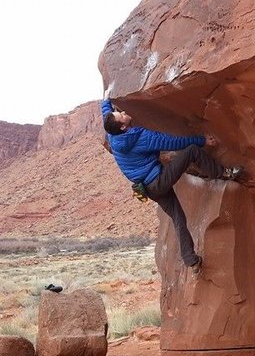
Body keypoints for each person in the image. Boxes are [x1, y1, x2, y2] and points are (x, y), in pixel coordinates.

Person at [101, 97, 242, 275]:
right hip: (158, 182)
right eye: (121, 115)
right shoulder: (139, 139)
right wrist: (201, 140)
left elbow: (105, 111)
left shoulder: (113, 135)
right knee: (192, 151)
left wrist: (106, 100)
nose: (123, 112)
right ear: (123, 127)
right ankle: (224, 173)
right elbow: (170, 142)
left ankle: (191, 261)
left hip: (147, 188)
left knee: (177, 217)